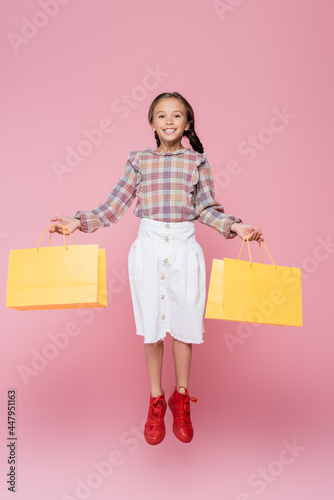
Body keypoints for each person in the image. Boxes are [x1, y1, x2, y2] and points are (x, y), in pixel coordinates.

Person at [49, 91, 263, 446]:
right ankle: (155, 399)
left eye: (176, 116)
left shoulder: (197, 162)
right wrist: (78, 222)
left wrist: (235, 226)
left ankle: (181, 397)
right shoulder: (139, 161)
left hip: (183, 247)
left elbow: (207, 208)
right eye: (161, 115)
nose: (168, 121)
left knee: (183, 326)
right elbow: (113, 206)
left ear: (187, 123)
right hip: (148, 248)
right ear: (151, 123)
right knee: (151, 326)